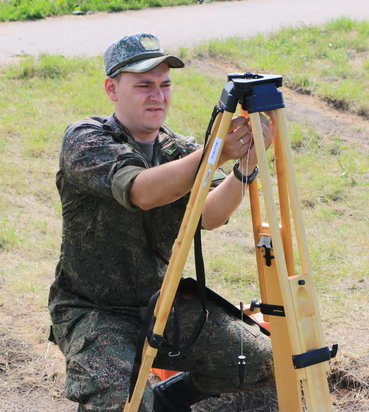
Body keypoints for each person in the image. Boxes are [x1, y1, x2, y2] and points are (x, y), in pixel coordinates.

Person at [48, 32, 277, 412]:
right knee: (124, 402)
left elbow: (211, 215)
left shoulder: (179, 148)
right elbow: (141, 191)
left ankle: (171, 399)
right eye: (143, 85)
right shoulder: (86, 139)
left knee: (262, 360)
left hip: (161, 301)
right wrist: (215, 151)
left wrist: (245, 165)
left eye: (165, 84)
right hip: (93, 309)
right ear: (112, 89)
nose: (158, 95)